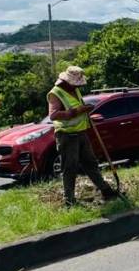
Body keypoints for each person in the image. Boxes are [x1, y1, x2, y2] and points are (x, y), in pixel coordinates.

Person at [47, 66, 118, 206]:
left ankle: (105, 190)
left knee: (90, 163)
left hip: (81, 133)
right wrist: (77, 111)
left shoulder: (75, 90)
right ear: (66, 81)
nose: (77, 86)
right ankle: (69, 200)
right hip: (67, 135)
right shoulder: (56, 93)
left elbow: (80, 110)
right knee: (69, 167)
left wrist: (87, 112)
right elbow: (53, 115)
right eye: (75, 83)